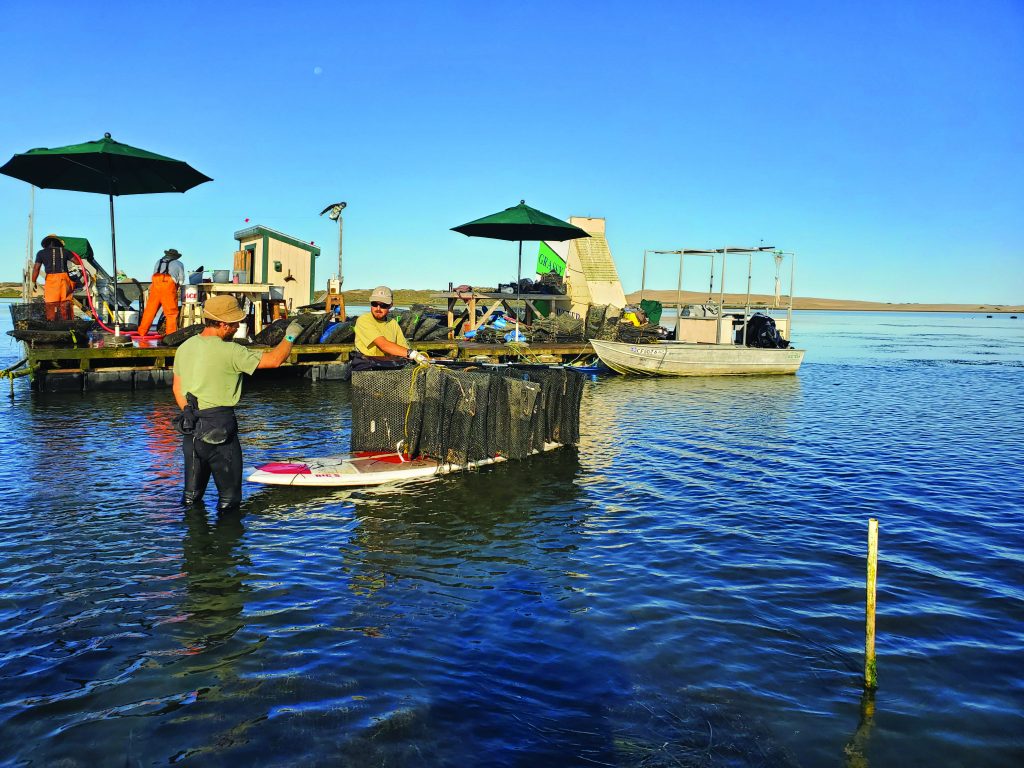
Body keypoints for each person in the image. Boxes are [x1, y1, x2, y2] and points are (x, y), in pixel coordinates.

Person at [172, 295, 302, 512]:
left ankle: (192, 544)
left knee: (190, 498)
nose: (238, 327)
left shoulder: (184, 347)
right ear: (223, 325)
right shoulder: (232, 351)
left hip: (191, 429)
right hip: (220, 431)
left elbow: (177, 389)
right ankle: (227, 542)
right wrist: (290, 336)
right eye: (235, 324)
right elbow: (275, 360)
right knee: (229, 501)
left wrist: (190, 413)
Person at [353, 285, 429, 363]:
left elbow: (403, 346)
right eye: (374, 304)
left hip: (388, 364)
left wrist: (418, 357)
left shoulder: (393, 323)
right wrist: (413, 354)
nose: (378, 308)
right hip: (366, 365)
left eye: (383, 305)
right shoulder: (364, 320)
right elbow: (384, 345)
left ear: (390, 305)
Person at [138, 248, 186, 336]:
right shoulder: (179, 264)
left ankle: (142, 332)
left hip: (155, 287)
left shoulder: (158, 261)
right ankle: (171, 336)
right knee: (171, 313)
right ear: (176, 257)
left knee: (150, 310)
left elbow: (153, 274)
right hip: (168, 288)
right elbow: (181, 280)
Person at [31, 234, 74, 321]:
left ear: (46, 243)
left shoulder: (41, 253)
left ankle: (52, 322)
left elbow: (36, 268)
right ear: (58, 243)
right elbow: (77, 262)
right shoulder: (66, 251)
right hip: (64, 279)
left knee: (51, 303)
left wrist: (33, 281)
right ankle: (67, 323)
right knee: (65, 303)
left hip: (51, 279)